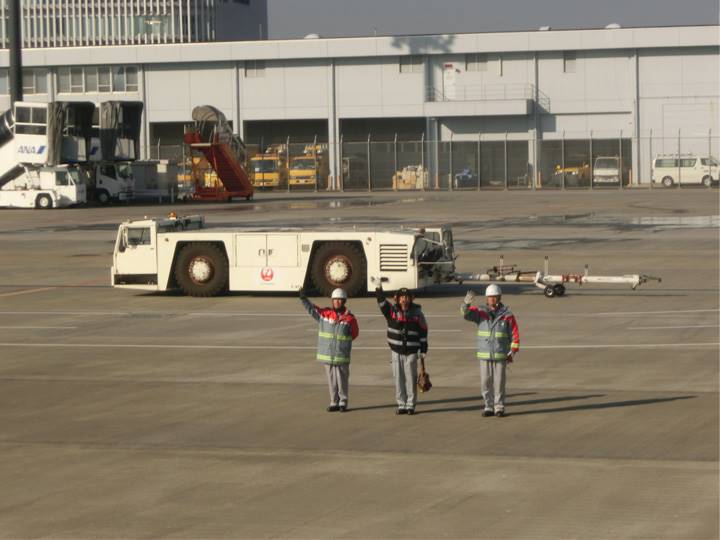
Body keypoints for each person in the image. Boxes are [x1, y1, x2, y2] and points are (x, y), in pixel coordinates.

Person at [461, 284, 520, 418]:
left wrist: (513, 350)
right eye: (489, 297)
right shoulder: (480, 312)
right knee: (485, 382)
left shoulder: (507, 315)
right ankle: (488, 406)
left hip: (500, 354)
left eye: (494, 297)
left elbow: (514, 333)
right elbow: (465, 315)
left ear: (499, 297)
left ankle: (499, 407)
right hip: (484, 353)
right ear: (487, 299)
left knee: (499, 383)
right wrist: (465, 304)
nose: (492, 299)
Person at [300, 287, 359, 412]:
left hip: (341, 355)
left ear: (344, 301)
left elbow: (354, 334)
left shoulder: (350, 318)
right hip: (328, 355)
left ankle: (343, 402)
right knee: (331, 380)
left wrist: (342, 345)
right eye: (335, 300)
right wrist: (303, 299)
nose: (337, 302)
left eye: (339, 300)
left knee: (342, 380)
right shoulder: (324, 314)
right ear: (332, 301)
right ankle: (334, 402)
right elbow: (311, 309)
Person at [376, 285, 428, 415]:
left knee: (410, 378)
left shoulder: (418, 314)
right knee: (398, 378)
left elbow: (423, 333)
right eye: (402, 297)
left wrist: (423, 350)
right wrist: (378, 289)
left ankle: (411, 404)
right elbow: (382, 303)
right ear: (397, 299)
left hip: (411, 352)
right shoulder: (391, 312)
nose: (404, 300)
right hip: (395, 351)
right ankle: (401, 404)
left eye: (406, 297)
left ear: (410, 299)